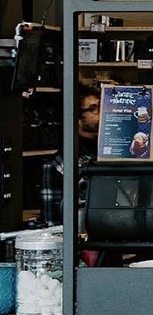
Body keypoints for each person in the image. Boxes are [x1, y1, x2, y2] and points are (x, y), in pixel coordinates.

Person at [43, 85, 101, 223]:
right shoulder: (58, 164)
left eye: (100, 106)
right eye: (93, 109)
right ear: (76, 117)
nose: (101, 112)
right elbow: (52, 224)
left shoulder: (111, 150)